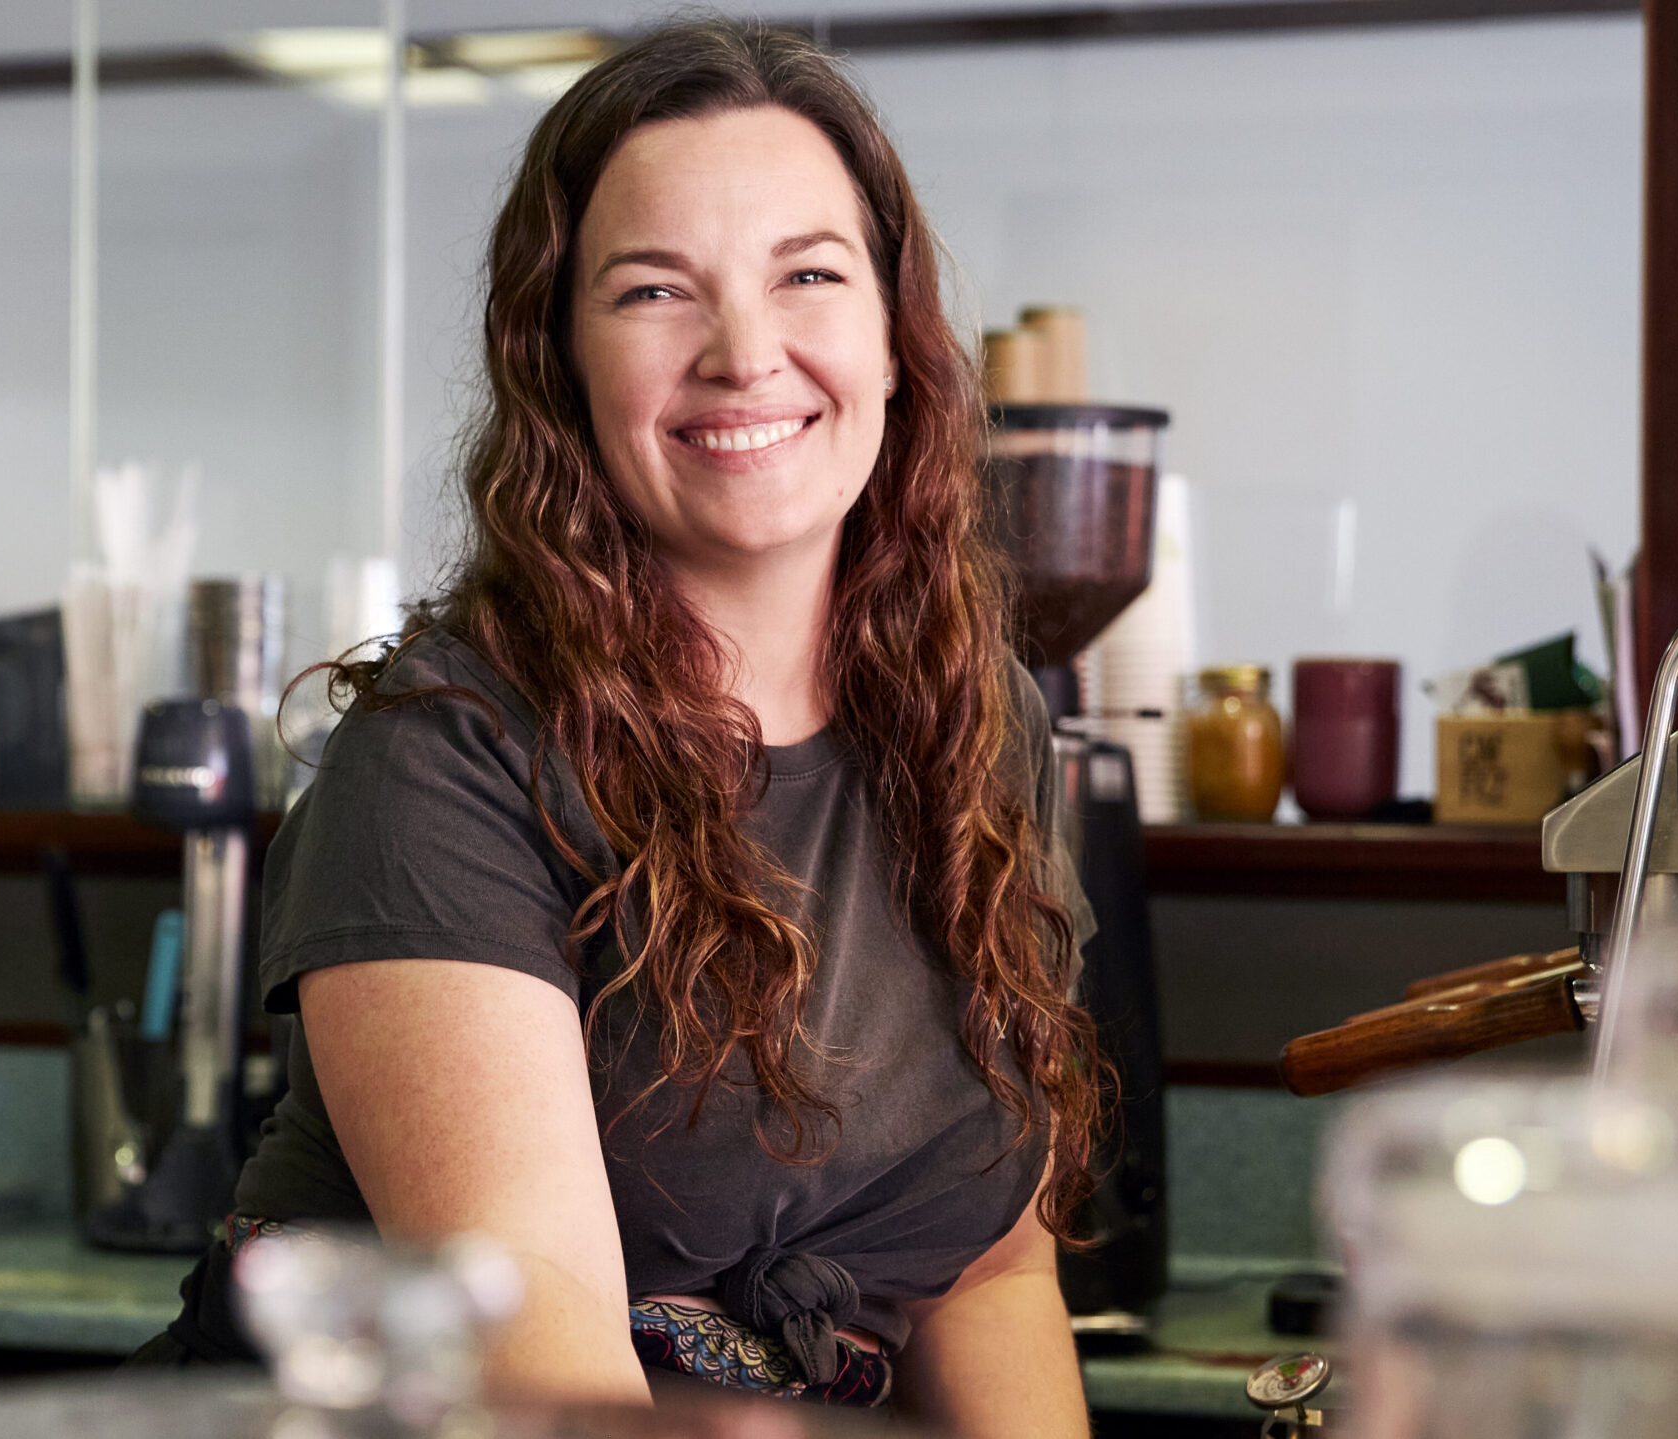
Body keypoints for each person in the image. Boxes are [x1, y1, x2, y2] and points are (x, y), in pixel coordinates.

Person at [138, 19, 1101, 1436]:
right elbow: (540, 1362)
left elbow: (993, 1273)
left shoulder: (977, 720)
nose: (745, 352)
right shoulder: (449, 755)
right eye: (657, 292)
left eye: (810, 275)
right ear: (563, 364)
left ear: (897, 340)